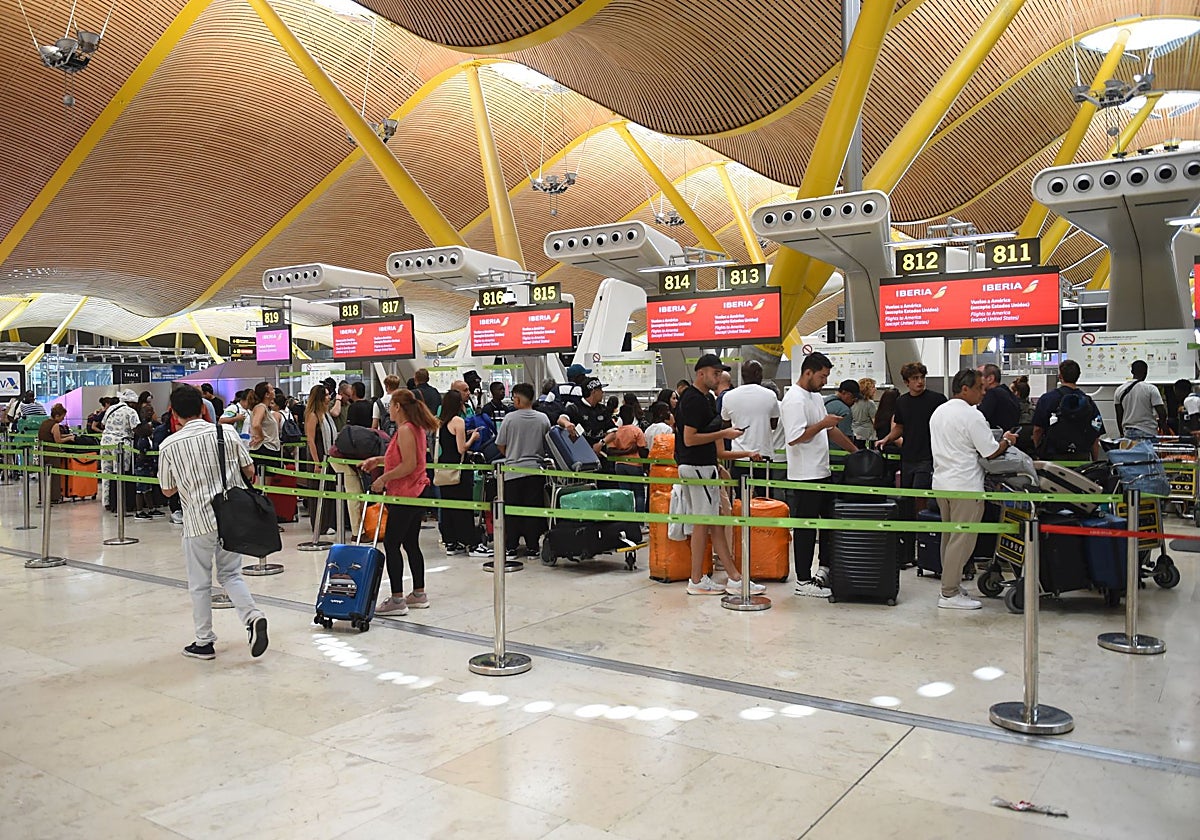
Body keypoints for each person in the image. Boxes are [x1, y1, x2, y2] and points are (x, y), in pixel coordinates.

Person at [157, 385, 268, 660]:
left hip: (197, 521)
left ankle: (204, 641)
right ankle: (253, 616)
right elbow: (250, 470)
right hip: (231, 518)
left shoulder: (169, 445)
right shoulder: (226, 432)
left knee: (199, 583)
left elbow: (167, 489)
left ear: (174, 413)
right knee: (231, 574)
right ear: (203, 408)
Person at [676, 354, 765, 596]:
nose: (719, 377)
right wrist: (723, 435)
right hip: (697, 468)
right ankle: (696, 579)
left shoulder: (706, 399)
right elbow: (690, 439)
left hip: (706, 467)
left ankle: (734, 577)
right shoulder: (693, 399)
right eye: (715, 373)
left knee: (714, 524)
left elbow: (714, 446)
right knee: (703, 524)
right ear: (701, 373)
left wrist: (742, 451)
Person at [930, 369, 1020, 610]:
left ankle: (950, 585)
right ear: (965, 389)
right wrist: (1008, 441)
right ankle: (949, 593)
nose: (984, 392)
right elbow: (990, 451)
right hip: (966, 486)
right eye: (980, 387)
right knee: (963, 540)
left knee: (949, 538)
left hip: (942, 483)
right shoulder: (972, 415)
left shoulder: (939, 412)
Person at [782, 353, 860, 597]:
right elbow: (795, 437)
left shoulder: (815, 397)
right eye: (822, 375)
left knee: (828, 524)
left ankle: (824, 569)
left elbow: (831, 430)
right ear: (808, 372)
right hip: (804, 475)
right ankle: (803, 581)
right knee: (806, 529)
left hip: (822, 471)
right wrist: (823, 424)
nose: (825, 381)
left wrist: (857, 453)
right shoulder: (793, 399)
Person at [361, 389, 440, 616]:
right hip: (416, 492)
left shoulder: (405, 429)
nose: (389, 411)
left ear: (398, 407)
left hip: (406, 495)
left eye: (391, 406)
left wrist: (383, 479)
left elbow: (409, 465)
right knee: (411, 543)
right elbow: (403, 458)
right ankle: (418, 593)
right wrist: (378, 460)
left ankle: (397, 598)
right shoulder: (415, 429)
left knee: (392, 544)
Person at [876, 362, 946, 567]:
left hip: (929, 457)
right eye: (915, 378)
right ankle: (907, 548)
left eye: (922, 377)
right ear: (907, 382)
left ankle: (923, 543)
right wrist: (886, 439)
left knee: (920, 498)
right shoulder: (902, 402)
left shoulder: (937, 400)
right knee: (906, 501)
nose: (920, 381)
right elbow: (900, 426)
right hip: (907, 458)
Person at [495, 382, 551, 556]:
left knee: (512, 511)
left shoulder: (509, 418)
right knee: (532, 511)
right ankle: (533, 547)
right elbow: (548, 443)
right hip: (535, 472)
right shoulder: (543, 419)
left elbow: (501, 445)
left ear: (517, 399)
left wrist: (513, 453)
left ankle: (511, 546)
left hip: (513, 473)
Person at [720, 359, 780, 490]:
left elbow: (725, 424)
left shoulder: (729, 396)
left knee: (740, 499)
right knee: (765, 499)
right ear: (758, 373)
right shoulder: (770, 395)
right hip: (764, 456)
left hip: (739, 456)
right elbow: (774, 424)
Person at [1032, 359, 1104, 460]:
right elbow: (1095, 435)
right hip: (1081, 457)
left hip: (1053, 458)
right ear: (1078, 376)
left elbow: (1037, 430)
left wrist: (1038, 451)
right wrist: (1094, 460)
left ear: (1060, 376)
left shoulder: (1047, 399)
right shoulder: (1087, 402)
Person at [437, 388, 479, 555]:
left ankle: (451, 543)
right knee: (463, 507)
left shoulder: (441, 422)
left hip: (444, 468)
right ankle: (471, 542)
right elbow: (462, 448)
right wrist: (473, 438)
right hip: (459, 469)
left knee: (448, 508)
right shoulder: (458, 421)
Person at [304, 384, 338, 536]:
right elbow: (310, 440)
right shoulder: (313, 415)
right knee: (318, 492)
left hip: (329, 457)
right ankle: (320, 524)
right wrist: (317, 462)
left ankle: (329, 522)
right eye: (326, 395)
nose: (329, 397)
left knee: (329, 490)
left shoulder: (327, 415)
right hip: (318, 456)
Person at [100, 389, 141, 513]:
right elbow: (137, 428)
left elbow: (103, 424)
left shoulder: (110, 409)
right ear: (131, 402)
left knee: (106, 474)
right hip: (121, 445)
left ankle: (108, 502)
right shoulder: (131, 411)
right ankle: (119, 503)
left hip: (105, 442)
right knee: (120, 473)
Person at [559, 377, 617, 455]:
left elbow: (613, 433)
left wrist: (601, 443)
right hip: (579, 455)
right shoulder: (575, 408)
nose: (602, 392)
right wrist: (567, 423)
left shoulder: (603, 410)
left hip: (599, 456)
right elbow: (561, 419)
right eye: (600, 390)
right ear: (593, 391)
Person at [608, 404, 648, 513]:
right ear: (632, 415)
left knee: (625, 493)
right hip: (635, 464)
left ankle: (627, 519)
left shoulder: (615, 432)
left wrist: (622, 452)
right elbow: (642, 449)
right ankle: (639, 520)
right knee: (639, 493)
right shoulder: (637, 431)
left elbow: (610, 451)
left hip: (619, 465)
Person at [1114, 360, 1166, 439]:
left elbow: (1119, 416)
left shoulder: (1119, 390)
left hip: (1128, 433)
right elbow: (1162, 413)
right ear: (1146, 372)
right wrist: (1163, 428)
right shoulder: (1151, 389)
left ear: (1131, 371)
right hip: (1148, 432)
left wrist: (1122, 433)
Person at [37, 404, 75, 504]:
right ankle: (54, 497)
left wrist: (67, 435)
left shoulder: (45, 423)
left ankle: (44, 496)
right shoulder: (55, 425)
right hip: (52, 453)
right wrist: (69, 438)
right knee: (54, 476)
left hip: (42, 452)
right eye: (62, 417)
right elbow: (58, 440)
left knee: (44, 475)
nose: (62, 419)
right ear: (57, 415)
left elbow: (53, 435)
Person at [247, 381, 280, 469]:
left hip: (268, 448)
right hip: (265, 448)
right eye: (272, 389)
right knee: (263, 480)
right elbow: (256, 424)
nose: (274, 391)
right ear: (267, 394)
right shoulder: (261, 407)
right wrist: (261, 437)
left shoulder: (264, 408)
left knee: (264, 480)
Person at [978, 364, 1020, 431]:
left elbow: (979, 418)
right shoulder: (1007, 393)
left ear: (990, 379)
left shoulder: (993, 394)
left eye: (979, 376)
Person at [851, 377, 878, 449]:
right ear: (866, 389)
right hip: (867, 436)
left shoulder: (853, 402)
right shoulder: (870, 403)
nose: (875, 389)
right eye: (873, 387)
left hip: (855, 433)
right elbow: (874, 421)